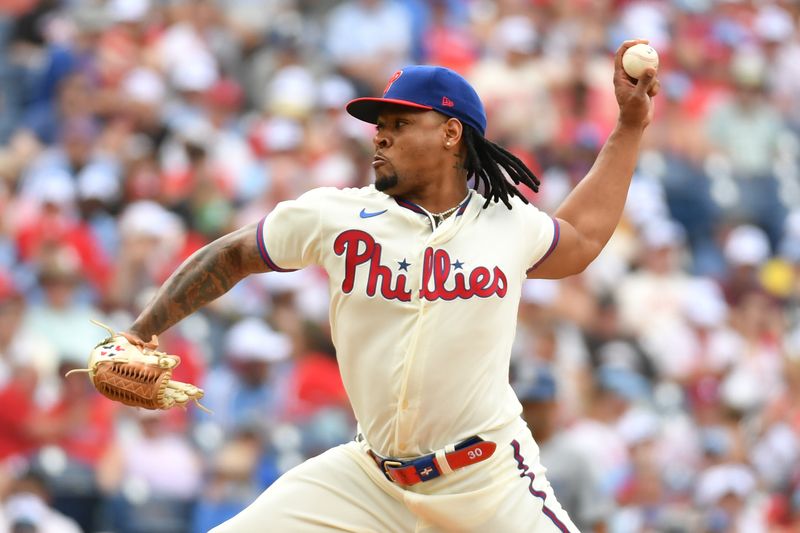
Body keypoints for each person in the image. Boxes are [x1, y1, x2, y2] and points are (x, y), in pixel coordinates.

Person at [122, 39, 658, 532]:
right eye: (379, 122)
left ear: (451, 133)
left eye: (400, 123)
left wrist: (629, 127)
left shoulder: (507, 223)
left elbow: (584, 237)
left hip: (486, 480)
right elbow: (234, 253)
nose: (380, 133)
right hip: (369, 479)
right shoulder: (338, 215)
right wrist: (141, 332)